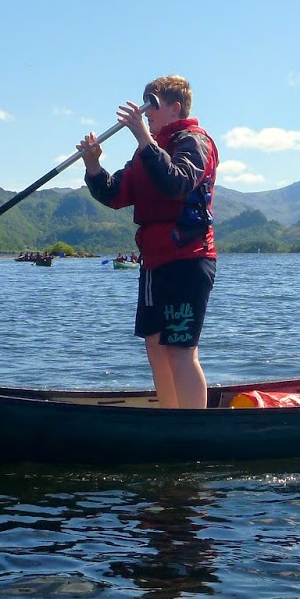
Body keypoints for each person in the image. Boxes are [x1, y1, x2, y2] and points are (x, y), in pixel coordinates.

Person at [79, 75, 218, 409]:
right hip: (155, 262)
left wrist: (143, 137)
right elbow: (115, 194)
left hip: (188, 259)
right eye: (144, 102)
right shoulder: (147, 152)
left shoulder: (194, 142)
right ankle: (171, 420)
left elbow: (178, 183)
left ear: (175, 107)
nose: (145, 111)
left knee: (180, 348)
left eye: (152, 104)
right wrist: (93, 164)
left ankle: (191, 430)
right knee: (156, 347)